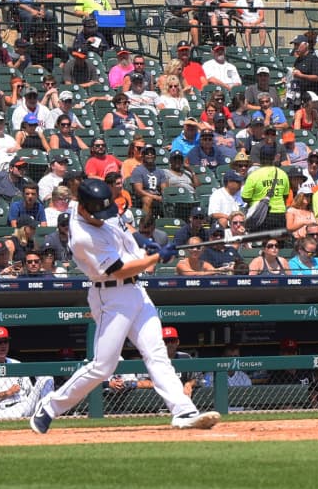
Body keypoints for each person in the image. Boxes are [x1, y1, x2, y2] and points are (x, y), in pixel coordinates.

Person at [27, 179, 220, 433]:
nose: (102, 217)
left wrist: (143, 241)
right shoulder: (83, 237)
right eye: (97, 213)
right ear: (83, 209)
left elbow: (122, 226)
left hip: (136, 291)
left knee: (156, 352)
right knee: (103, 367)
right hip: (112, 296)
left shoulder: (95, 206)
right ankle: (50, 406)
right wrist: (156, 257)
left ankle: (183, 411)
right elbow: (119, 270)